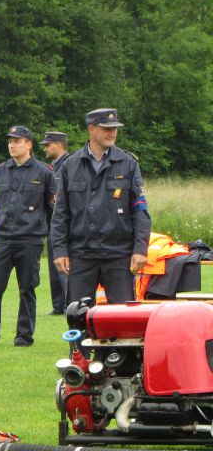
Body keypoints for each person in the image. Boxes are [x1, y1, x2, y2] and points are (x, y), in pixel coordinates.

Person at [51, 108, 151, 304]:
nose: (112, 133)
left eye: (114, 128)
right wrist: (60, 250)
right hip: (81, 254)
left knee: (123, 319)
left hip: (118, 254)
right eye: (107, 128)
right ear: (91, 129)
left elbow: (140, 210)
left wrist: (141, 249)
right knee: (78, 319)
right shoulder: (70, 166)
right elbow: (60, 213)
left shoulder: (128, 164)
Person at [0, 126, 56, 347]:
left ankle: (24, 336)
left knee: (27, 287)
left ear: (28, 144)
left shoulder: (44, 173)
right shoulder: (0, 170)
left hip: (30, 238)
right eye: (10, 141)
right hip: (3, 237)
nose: (12, 145)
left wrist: (44, 233)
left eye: (17, 141)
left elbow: (52, 209)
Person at [40, 130, 70, 315]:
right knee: (53, 265)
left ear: (58, 144)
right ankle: (58, 305)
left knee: (64, 266)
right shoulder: (52, 168)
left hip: (65, 225)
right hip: (52, 223)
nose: (45, 148)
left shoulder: (70, 165)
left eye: (48, 145)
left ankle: (69, 304)